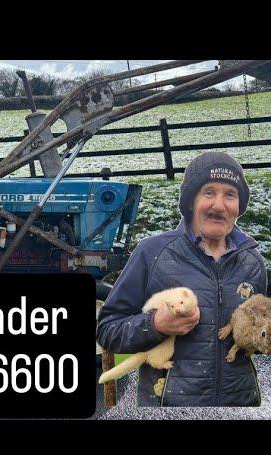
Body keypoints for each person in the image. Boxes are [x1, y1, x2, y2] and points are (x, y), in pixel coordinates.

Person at [97, 152, 267, 407]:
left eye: (230, 195)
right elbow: (107, 330)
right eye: (208, 192)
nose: (219, 206)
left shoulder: (253, 263)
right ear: (190, 201)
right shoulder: (152, 253)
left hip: (240, 405)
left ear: (238, 206)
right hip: (169, 406)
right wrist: (155, 325)